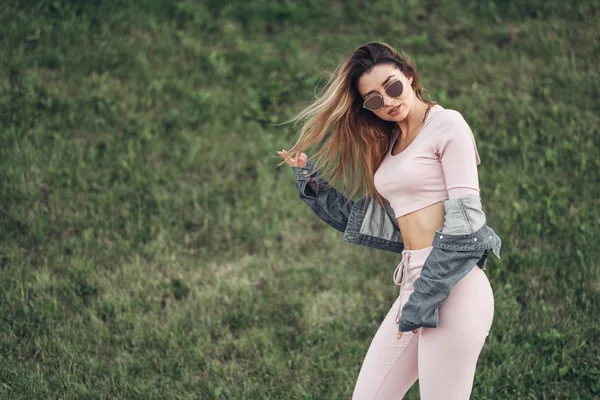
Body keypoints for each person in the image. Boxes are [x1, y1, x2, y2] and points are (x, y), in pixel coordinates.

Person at [277, 42, 500, 399]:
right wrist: (312, 181)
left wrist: (422, 300)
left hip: (452, 285)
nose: (388, 101)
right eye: (374, 100)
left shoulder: (447, 125)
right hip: (414, 283)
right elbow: (372, 220)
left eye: (393, 87)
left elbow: (466, 226)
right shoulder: (393, 143)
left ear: (409, 77)